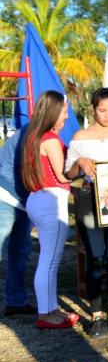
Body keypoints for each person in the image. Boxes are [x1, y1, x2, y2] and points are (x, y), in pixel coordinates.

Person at [65, 87, 108, 338]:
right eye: (102, 110)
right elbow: (68, 173)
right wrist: (79, 162)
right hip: (88, 200)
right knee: (96, 257)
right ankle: (96, 316)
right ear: (93, 109)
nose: (107, 115)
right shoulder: (80, 136)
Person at [20, 91, 80, 330]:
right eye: (64, 110)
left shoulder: (35, 137)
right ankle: (46, 313)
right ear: (54, 112)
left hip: (38, 198)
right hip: (51, 201)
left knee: (50, 259)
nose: (66, 115)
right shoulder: (51, 140)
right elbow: (63, 174)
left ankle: (51, 309)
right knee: (50, 261)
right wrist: (81, 166)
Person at [0, 125, 36, 317]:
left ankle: (16, 301)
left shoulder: (45, 134)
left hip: (23, 202)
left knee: (20, 252)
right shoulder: (28, 133)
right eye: (63, 112)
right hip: (5, 196)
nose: (65, 117)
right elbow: (5, 167)